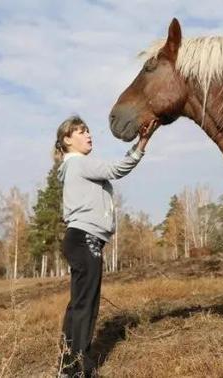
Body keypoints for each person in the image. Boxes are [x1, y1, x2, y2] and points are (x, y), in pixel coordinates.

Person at [54, 115, 155, 377]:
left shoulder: (72, 166)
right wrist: (141, 143)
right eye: (80, 132)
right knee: (87, 304)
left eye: (88, 130)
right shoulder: (79, 163)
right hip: (85, 238)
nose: (88, 135)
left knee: (78, 304)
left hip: (78, 238)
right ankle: (81, 369)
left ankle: (67, 367)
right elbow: (116, 169)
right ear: (67, 140)